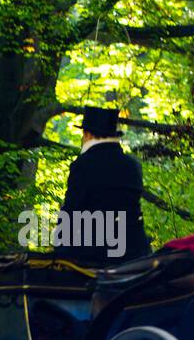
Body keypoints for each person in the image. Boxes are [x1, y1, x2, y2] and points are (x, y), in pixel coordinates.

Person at [58, 106, 152, 266]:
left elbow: (72, 212)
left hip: (96, 253)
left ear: (88, 134)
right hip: (136, 249)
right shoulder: (133, 165)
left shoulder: (83, 165)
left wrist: (59, 251)